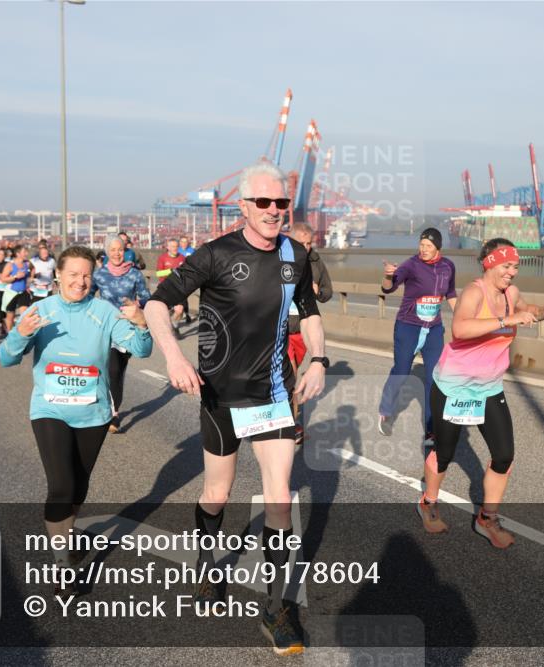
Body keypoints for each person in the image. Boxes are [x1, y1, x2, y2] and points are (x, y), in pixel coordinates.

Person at [145, 161, 325, 656]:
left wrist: (319, 358)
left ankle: (277, 609)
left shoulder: (296, 254)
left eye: (280, 203)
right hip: (222, 395)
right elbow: (157, 304)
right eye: (263, 203)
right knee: (217, 493)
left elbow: (309, 312)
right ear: (243, 205)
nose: (273, 211)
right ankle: (207, 566)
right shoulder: (215, 254)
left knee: (280, 499)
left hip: (271, 395)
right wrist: (174, 355)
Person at [0, 245, 152, 596]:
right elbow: (7, 359)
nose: (80, 282)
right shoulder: (41, 310)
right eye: (73, 275)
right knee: (62, 486)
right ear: (58, 277)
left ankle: (69, 534)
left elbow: (141, 350)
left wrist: (141, 325)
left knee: (79, 488)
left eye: (85, 276)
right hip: (49, 409)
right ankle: (62, 566)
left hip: (93, 412)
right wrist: (20, 333)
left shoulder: (105, 312)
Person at [417, 238, 544, 547]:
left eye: (515, 267)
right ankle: (428, 502)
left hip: (489, 387)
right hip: (454, 385)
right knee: (445, 453)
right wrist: (507, 320)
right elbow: (460, 329)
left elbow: (527, 309)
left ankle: (487, 519)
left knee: (504, 455)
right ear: (490, 262)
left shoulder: (510, 293)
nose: (512, 273)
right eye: (507, 266)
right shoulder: (475, 292)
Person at [378, 228, 457, 446]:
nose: (423, 249)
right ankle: (385, 411)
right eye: (421, 245)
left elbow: (450, 294)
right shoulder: (411, 265)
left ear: (438, 248)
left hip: (433, 330)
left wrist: (462, 320)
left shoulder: (448, 266)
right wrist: (387, 275)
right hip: (408, 327)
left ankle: (431, 429)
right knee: (401, 372)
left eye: (428, 246)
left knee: (434, 378)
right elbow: (389, 288)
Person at [91, 236, 152, 433]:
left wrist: (138, 306)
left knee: (118, 370)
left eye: (120, 249)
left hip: (127, 328)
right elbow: (88, 298)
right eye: (113, 249)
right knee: (112, 370)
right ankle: (114, 413)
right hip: (106, 327)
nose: (117, 253)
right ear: (107, 252)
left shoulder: (134, 274)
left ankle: (112, 405)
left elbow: (146, 299)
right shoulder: (99, 275)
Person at [286, 222, 334, 444]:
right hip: (282, 330)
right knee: (292, 377)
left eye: (308, 243)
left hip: (302, 331)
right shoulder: (278, 259)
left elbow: (327, 292)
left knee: (291, 381)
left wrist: (317, 292)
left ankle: (287, 419)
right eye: (301, 243)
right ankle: (291, 424)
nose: (305, 247)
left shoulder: (315, 261)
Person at [0, 245, 33, 335]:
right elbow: (3, 279)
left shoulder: (27, 263)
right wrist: (15, 276)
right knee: (10, 317)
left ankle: (23, 333)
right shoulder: (10, 265)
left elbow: (32, 272)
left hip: (23, 292)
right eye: (24, 252)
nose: (27, 253)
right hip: (11, 293)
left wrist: (29, 284)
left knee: (25, 313)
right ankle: (10, 335)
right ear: (18, 254)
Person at [154, 238, 187, 331]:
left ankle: (174, 324)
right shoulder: (162, 258)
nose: (175, 248)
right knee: (165, 311)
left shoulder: (182, 258)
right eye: (172, 246)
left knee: (179, 310)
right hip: (166, 287)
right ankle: (165, 327)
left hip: (178, 287)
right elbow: (158, 274)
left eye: (176, 246)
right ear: (168, 247)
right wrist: (171, 271)